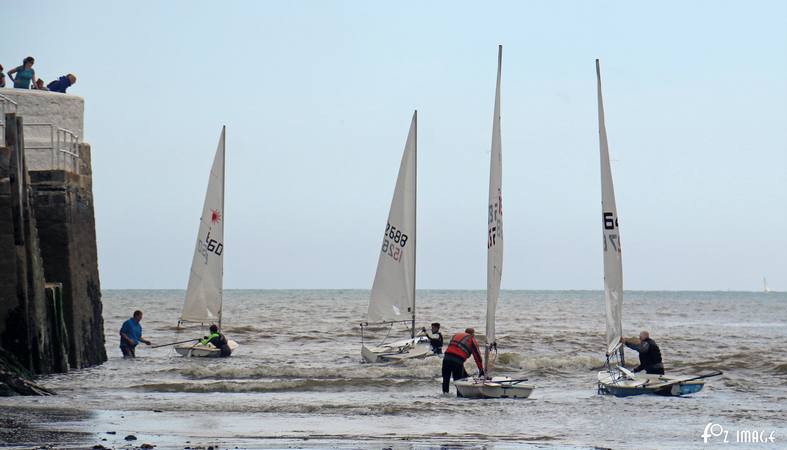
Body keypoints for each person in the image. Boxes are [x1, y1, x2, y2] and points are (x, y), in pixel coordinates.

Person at [441, 327, 484, 394]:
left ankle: (445, 395)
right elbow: (477, 356)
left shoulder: (456, 335)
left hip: (446, 358)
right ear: (473, 334)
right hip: (457, 361)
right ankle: (460, 398)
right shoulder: (471, 339)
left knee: (446, 380)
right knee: (458, 382)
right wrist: (481, 370)